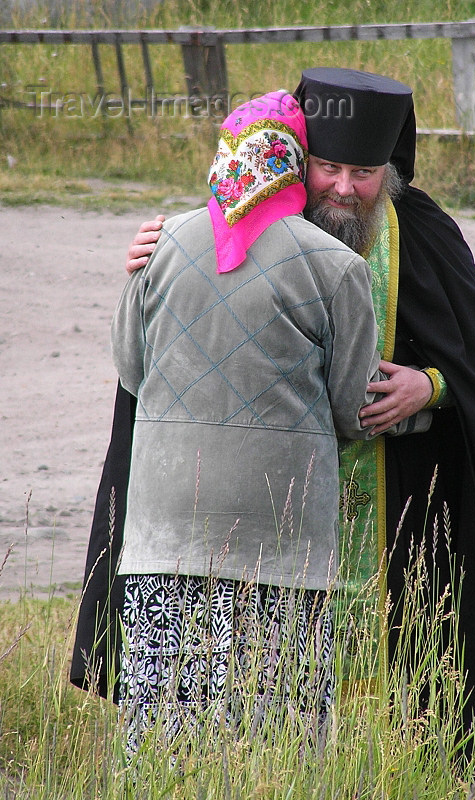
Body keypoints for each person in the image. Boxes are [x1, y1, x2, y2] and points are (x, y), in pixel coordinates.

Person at [73, 69, 475, 757]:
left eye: (364, 172)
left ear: (390, 173)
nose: (344, 188)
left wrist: (431, 386)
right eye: (328, 166)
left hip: (393, 507)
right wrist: (143, 262)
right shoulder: (236, 224)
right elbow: (155, 361)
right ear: (296, 160)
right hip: (242, 512)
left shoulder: (425, 236)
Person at [100, 89, 401, 753]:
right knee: (277, 730)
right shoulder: (338, 266)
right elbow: (353, 411)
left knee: (166, 725)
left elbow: (129, 370)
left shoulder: (159, 242)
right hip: (280, 539)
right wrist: (424, 399)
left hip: (163, 531)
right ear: (294, 164)